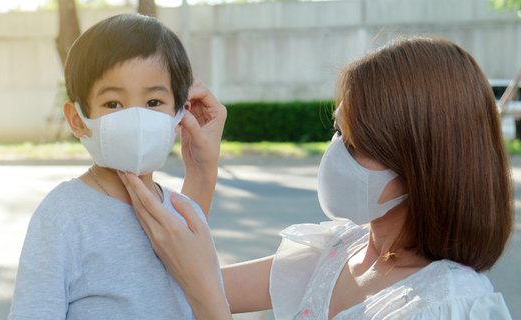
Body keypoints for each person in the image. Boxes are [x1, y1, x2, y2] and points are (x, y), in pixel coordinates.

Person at [118, 36, 515, 319]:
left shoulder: (448, 304)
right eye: (338, 132)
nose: (335, 155)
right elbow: (172, 290)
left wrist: (205, 297)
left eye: (358, 146)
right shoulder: (334, 253)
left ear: (424, 167)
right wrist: (201, 170)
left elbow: (201, 293)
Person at [8, 13, 227, 319]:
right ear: (77, 119)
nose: (136, 118)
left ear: (181, 113)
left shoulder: (185, 213)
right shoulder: (63, 215)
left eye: (153, 103)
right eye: (113, 104)